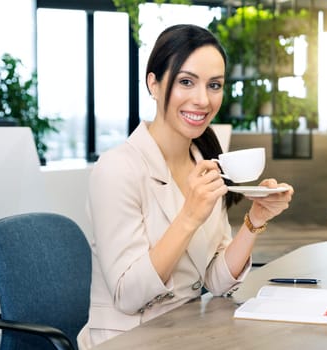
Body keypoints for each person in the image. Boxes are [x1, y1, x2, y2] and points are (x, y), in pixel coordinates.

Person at [77, 24, 294, 348]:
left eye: (214, 85)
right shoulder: (117, 169)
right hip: (128, 338)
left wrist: (255, 220)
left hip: (190, 331)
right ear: (154, 83)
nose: (203, 100)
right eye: (186, 82)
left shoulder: (205, 161)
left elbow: (216, 281)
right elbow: (128, 296)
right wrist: (189, 216)